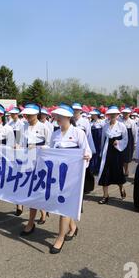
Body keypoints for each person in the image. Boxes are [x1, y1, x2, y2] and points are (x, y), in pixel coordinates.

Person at [49, 104, 92, 254]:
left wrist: (86, 157)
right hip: (57, 174)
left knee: (63, 206)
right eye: (56, 116)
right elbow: (50, 152)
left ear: (68, 117)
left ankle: (60, 237)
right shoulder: (54, 134)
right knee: (61, 203)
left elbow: (87, 151)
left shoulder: (78, 133)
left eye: (59, 116)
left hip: (73, 176)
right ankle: (72, 227)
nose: (57, 119)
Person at [20, 103, 52, 236]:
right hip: (26, 163)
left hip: (40, 163)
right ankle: (39, 214)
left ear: (36, 114)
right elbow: (18, 143)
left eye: (30, 114)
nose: (27, 116)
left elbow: (50, 146)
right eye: (26, 114)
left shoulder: (44, 127)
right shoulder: (23, 127)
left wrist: (38, 147)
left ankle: (31, 221)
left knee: (38, 190)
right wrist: (17, 147)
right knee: (30, 191)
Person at [98, 106, 128, 204]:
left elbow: (126, 139)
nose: (112, 116)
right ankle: (105, 196)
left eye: (114, 114)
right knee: (105, 172)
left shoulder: (121, 126)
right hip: (107, 152)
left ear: (117, 115)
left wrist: (118, 142)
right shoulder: (105, 126)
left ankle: (121, 188)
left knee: (118, 171)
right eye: (111, 114)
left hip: (117, 152)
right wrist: (101, 152)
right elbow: (103, 139)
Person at [119, 107, 138, 177]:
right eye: (124, 113)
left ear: (129, 114)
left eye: (127, 113)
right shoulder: (120, 121)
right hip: (121, 139)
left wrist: (135, 143)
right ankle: (122, 170)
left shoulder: (132, 122)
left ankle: (126, 170)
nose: (125, 115)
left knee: (127, 156)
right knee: (121, 155)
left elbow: (134, 133)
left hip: (129, 141)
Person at [89, 109, 104, 175]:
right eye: (92, 115)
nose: (92, 116)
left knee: (98, 153)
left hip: (99, 140)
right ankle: (92, 168)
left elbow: (103, 132)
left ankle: (98, 168)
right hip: (92, 139)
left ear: (97, 115)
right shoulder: (90, 122)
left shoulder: (101, 122)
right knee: (92, 153)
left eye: (94, 115)